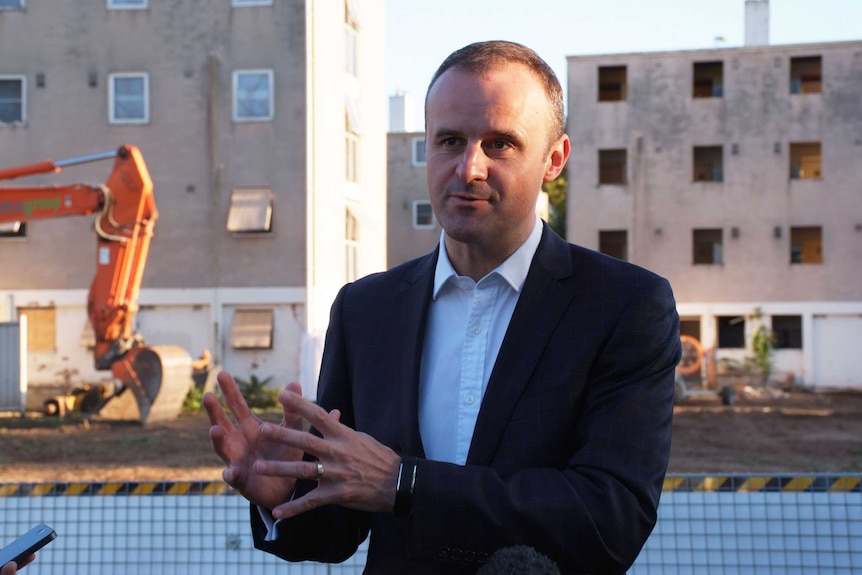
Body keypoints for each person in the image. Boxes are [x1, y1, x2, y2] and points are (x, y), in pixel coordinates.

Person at [205, 40, 681, 574]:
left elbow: (609, 521)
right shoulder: (365, 310)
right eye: (450, 140)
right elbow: (337, 532)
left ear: (554, 160)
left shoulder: (624, 306)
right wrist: (281, 495)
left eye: (500, 144)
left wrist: (405, 484)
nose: (468, 167)